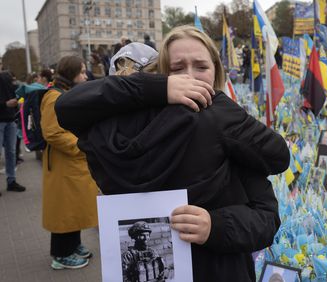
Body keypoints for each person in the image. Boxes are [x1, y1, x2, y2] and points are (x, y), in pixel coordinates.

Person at [55, 26, 289, 281]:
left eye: (201, 67)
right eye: (177, 70)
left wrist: (216, 225)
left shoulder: (230, 128)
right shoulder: (140, 127)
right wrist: (156, 90)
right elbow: (67, 107)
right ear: (162, 75)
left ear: (216, 71)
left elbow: (266, 218)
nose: (190, 77)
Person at [41, 55, 98, 270]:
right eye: (82, 72)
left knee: (73, 209)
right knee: (64, 211)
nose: (85, 76)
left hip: (70, 163)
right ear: (71, 73)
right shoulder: (54, 97)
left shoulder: (63, 93)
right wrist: (82, 146)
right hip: (63, 163)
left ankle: (74, 245)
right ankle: (61, 254)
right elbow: (52, 133)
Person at [0, 71, 26, 196]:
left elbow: (18, 93)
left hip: (11, 120)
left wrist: (18, 103)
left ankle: (11, 181)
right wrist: (5, 104)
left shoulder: (7, 77)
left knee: (11, 152)